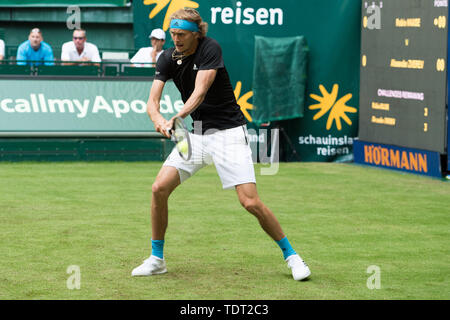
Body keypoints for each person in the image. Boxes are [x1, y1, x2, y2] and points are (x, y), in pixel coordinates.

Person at [131, 8, 311, 281]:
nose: (176, 39)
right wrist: (158, 119)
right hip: (198, 134)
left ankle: (293, 257)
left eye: (181, 34)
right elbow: (152, 102)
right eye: (173, 34)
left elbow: (199, 93)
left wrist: (176, 118)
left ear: (196, 34)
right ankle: (157, 259)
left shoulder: (210, 48)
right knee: (158, 188)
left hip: (229, 133)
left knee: (249, 201)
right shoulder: (168, 58)